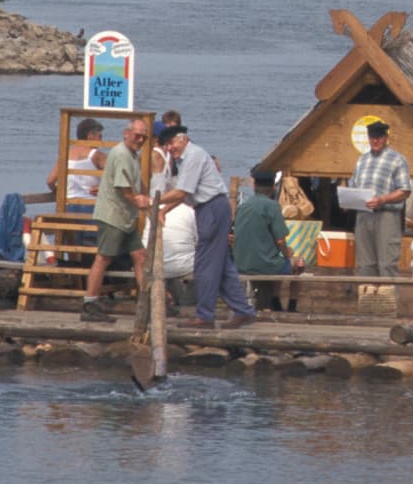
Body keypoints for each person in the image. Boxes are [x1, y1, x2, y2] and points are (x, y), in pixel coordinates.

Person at [156, 125, 257, 328]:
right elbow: (185, 193)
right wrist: (164, 209)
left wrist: (153, 200)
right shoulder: (188, 157)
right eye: (166, 145)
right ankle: (243, 310)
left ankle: (205, 315)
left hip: (211, 208)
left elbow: (182, 192)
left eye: (171, 143)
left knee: (205, 264)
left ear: (182, 139)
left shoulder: (193, 156)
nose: (169, 149)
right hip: (212, 207)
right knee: (222, 264)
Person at [79, 118, 157, 323]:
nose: (140, 140)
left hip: (126, 217)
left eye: (143, 137)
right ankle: (89, 303)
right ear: (126, 133)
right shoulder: (121, 154)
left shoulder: (132, 155)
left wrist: (147, 200)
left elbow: (136, 183)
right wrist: (138, 200)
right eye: (136, 135)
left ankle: (145, 300)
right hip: (113, 215)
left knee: (140, 255)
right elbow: (124, 189)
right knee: (103, 258)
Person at [351, 120, 412, 278]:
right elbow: (353, 185)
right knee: (365, 265)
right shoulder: (362, 160)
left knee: (387, 265)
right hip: (363, 215)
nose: (375, 140)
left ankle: (389, 303)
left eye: (378, 137)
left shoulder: (397, 159)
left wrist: (382, 199)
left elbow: (404, 190)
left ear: (386, 138)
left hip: (387, 215)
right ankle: (368, 302)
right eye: (372, 137)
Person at [235, 171, 301, 311]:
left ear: (254, 187)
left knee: (279, 260)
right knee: (299, 264)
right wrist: (288, 254)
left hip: (241, 264)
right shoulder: (272, 206)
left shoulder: (242, 207)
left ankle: (275, 301)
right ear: (273, 188)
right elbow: (280, 240)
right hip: (265, 266)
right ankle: (290, 305)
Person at [47, 116, 106, 203]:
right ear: (90, 136)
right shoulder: (97, 155)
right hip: (91, 204)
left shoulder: (66, 154)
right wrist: (102, 188)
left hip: (68, 205)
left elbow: (50, 181)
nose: (101, 140)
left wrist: (58, 192)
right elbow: (115, 178)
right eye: (99, 136)